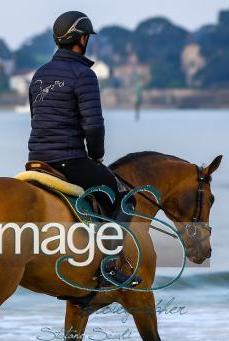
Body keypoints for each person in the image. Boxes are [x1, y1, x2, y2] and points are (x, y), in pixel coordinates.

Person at [28, 10, 140, 287]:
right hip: (68, 159)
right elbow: (93, 126)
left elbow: (36, 117)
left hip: (36, 159)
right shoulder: (83, 75)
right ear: (82, 39)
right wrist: (96, 156)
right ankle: (109, 267)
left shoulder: (39, 74)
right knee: (124, 198)